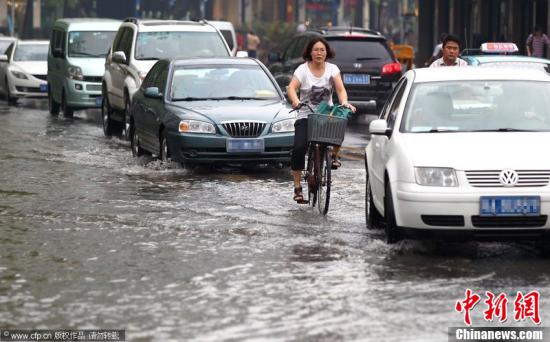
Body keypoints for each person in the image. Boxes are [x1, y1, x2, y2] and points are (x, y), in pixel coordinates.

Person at [286, 37, 356, 203]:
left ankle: (333, 157)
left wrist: (345, 103)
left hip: (326, 116)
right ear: (310, 52)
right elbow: (291, 87)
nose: (319, 53)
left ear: (327, 53)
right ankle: (297, 187)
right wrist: (295, 101)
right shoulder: (302, 70)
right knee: (299, 148)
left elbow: (340, 89)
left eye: (322, 50)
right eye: (316, 50)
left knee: (340, 123)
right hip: (306, 115)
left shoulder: (333, 69)